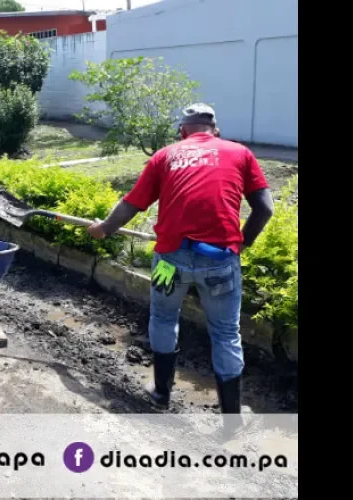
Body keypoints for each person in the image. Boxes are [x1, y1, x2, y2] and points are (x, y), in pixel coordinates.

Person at [86, 104, 274, 428]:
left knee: (162, 315)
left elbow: (131, 203)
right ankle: (232, 420)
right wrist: (244, 242)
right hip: (221, 261)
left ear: (183, 131)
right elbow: (265, 209)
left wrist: (104, 228)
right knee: (226, 332)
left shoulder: (165, 156)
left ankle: (161, 393)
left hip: (169, 259)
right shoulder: (239, 153)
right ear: (215, 130)